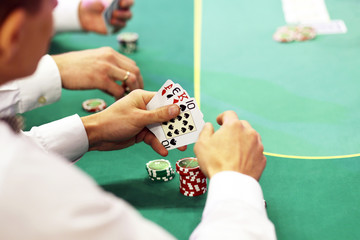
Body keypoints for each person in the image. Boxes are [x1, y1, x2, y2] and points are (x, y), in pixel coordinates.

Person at [0, 0, 276, 239]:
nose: (57, 10)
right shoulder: (22, 185)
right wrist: (235, 182)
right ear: (13, 35)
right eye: (53, 4)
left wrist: (92, 129)